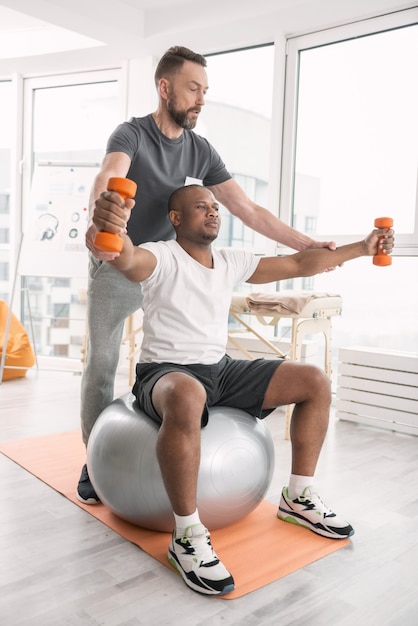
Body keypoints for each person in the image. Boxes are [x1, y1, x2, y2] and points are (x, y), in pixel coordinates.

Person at [92, 183, 393, 596]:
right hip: (166, 372)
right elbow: (127, 257)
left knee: (314, 381)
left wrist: (362, 246)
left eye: (216, 208)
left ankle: (299, 498)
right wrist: (114, 228)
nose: (213, 212)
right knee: (186, 394)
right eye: (201, 207)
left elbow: (300, 263)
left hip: (220, 370)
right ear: (176, 218)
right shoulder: (162, 254)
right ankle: (186, 538)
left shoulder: (231, 261)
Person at [78, 45, 340, 504]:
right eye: (192, 88)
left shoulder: (201, 150)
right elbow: (108, 175)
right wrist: (100, 220)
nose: (201, 99)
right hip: (124, 264)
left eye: (205, 90)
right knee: (101, 365)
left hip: (173, 270)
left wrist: (306, 245)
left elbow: (248, 209)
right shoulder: (133, 134)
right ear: (165, 88)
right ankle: (94, 462)